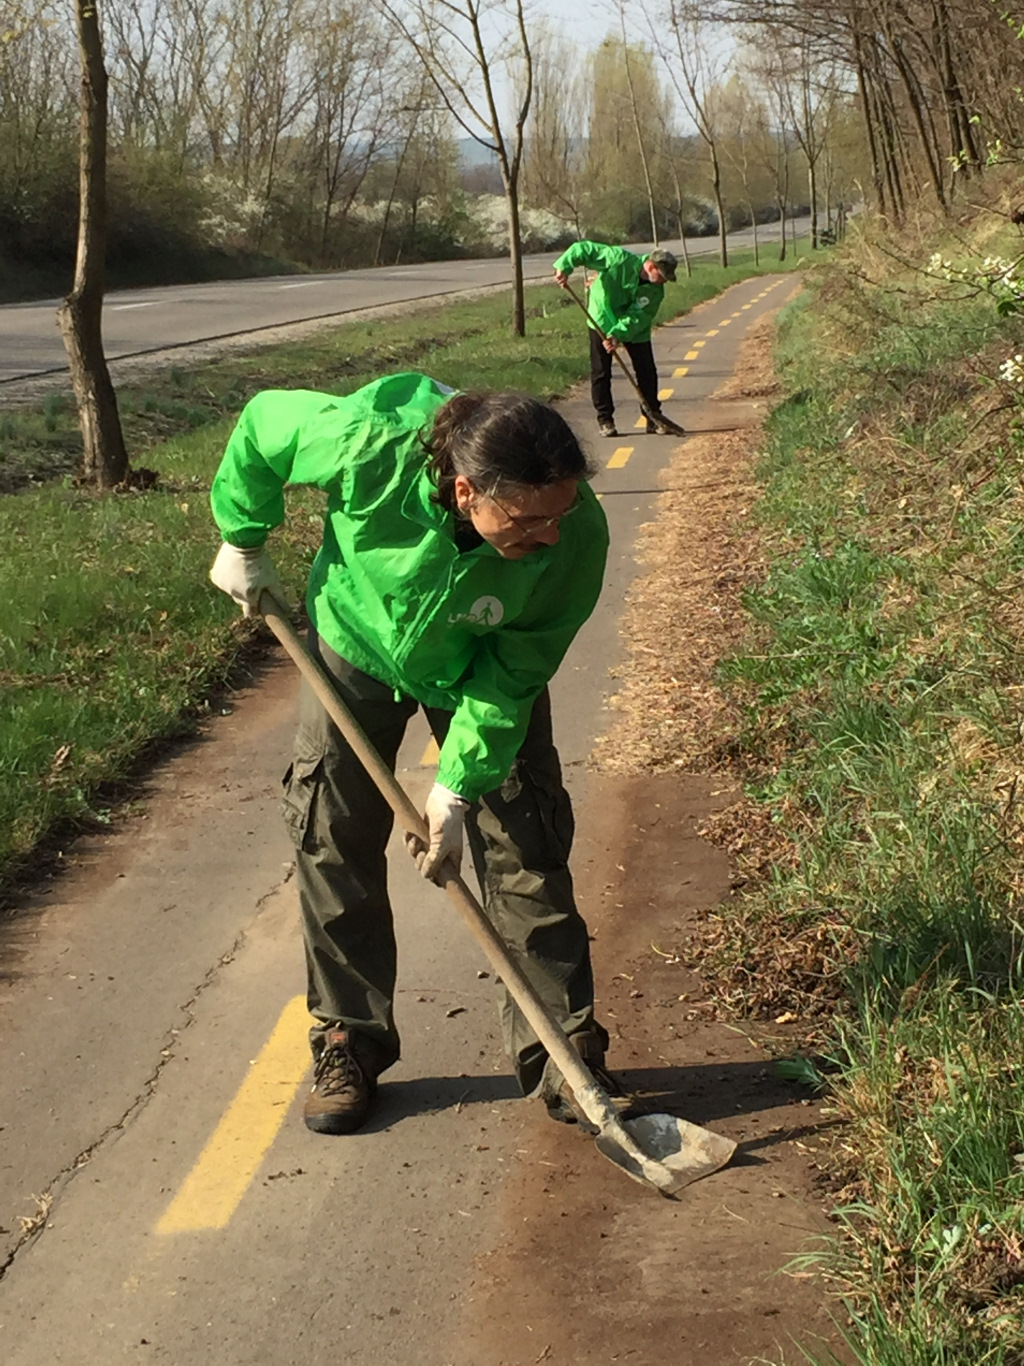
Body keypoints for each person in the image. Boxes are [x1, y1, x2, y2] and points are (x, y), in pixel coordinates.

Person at [208, 371, 616, 1136]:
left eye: (559, 514)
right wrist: (243, 535)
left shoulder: (574, 538)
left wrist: (457, 786)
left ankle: (565, 1050)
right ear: (466, 492)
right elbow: (265, 422)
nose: (548, 536)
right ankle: (347, 1038)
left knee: (524, 839)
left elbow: (516, 674)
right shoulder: (368, 446)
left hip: (478, 664)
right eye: (527, 523)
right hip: (356, 641)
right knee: (332, 831)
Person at [552, 241, 679, 438]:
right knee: (601, 371)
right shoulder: (618, 259)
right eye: (662, 277)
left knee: (646, 370)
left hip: (634, 328)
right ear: (651, 266)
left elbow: (638, 317)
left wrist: (617, 335)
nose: (664, 282)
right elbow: (583, 249)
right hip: (601, 319)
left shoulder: (655, 291)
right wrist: (564, 267)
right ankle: (605, 419)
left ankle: (652, 417)